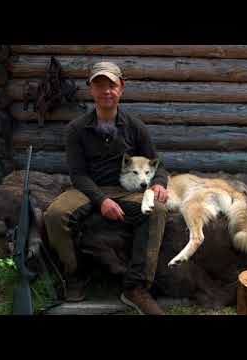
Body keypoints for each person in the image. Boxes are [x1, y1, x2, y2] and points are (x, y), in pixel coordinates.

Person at [44, 62, 169, 315]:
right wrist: (101, 200)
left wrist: (159, 184)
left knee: (156, 210)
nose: (106, 91)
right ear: (91, 89)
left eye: (111, 85)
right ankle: (75, 275)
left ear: (121, 87)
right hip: (87, 189)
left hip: (128, 191)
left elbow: (158, 165)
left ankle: (136, 288)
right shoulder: (76, 129)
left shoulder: (135, 127)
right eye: (99, 85)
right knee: (55, 215)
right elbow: (77, 174)